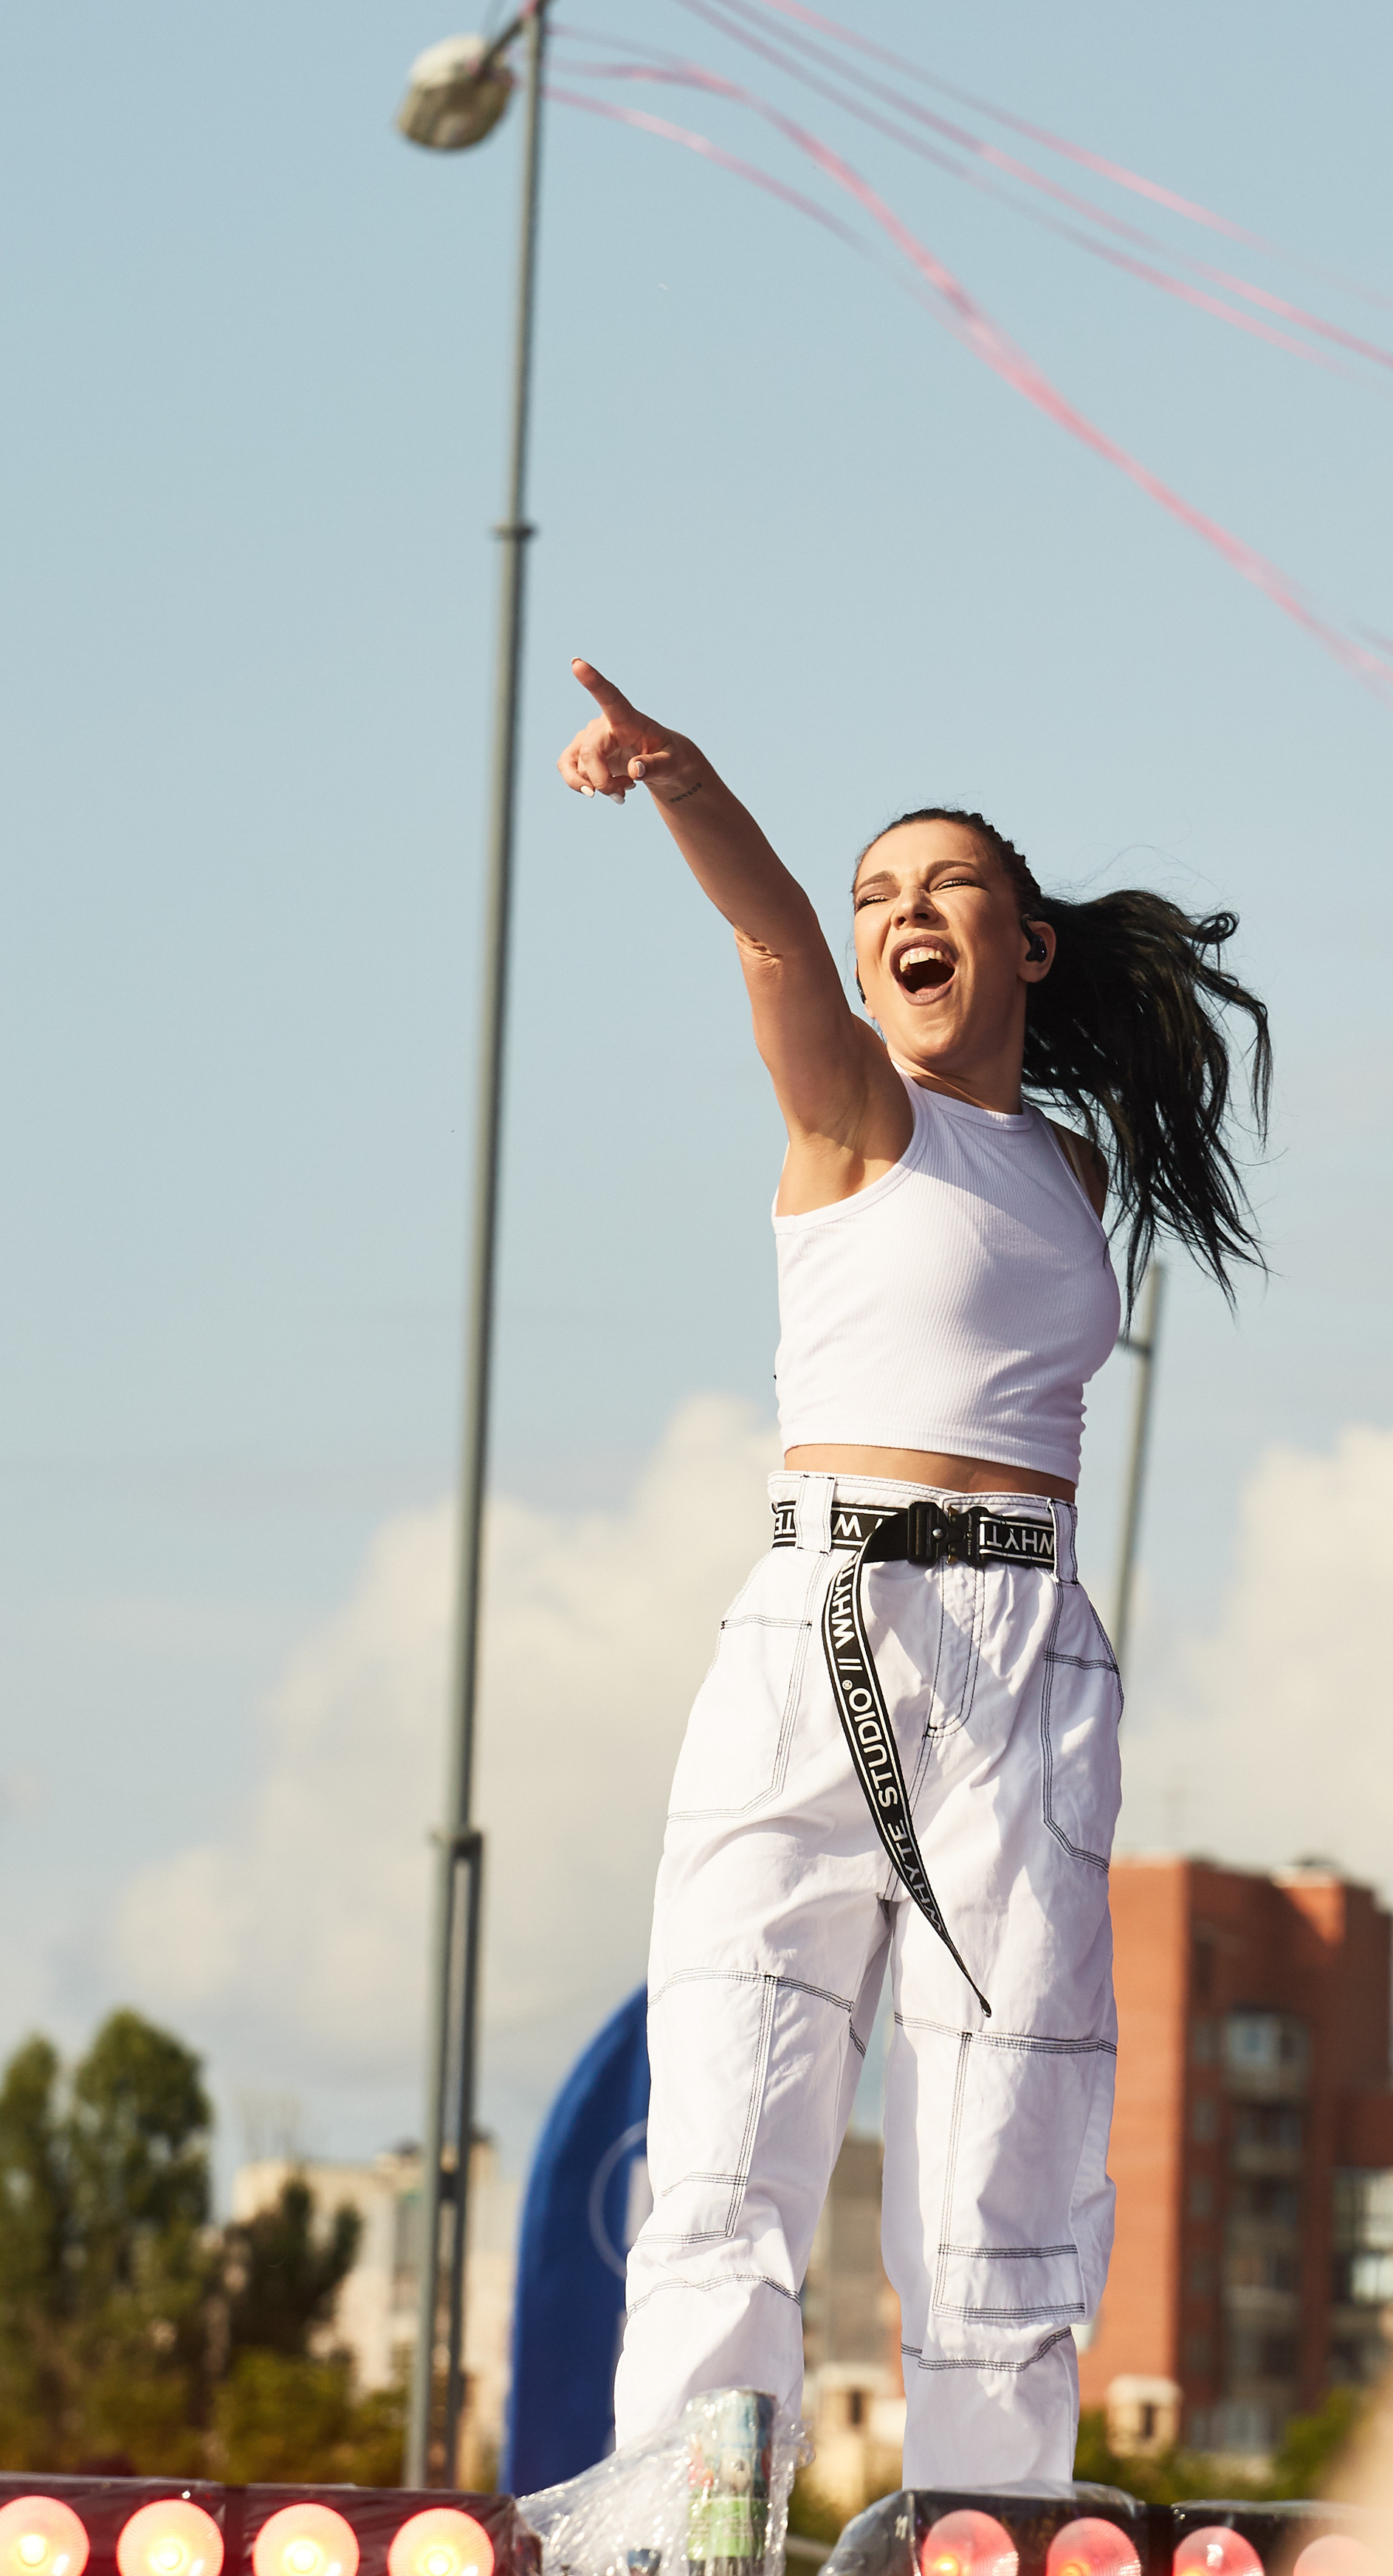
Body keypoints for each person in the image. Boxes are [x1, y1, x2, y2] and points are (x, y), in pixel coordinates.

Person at [556, 657, 1270, 2488]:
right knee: (732, 2121)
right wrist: (684, 788)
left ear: (1024, 947)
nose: (899, 916)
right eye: (883, 896)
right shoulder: (846, 1116)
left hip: (1027, 1654)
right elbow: (775, 944)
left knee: (1006, 2149)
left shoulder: (1062, 1162)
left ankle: (988, 2520)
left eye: (941, 888)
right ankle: (685, 2523)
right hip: (829, 1632)